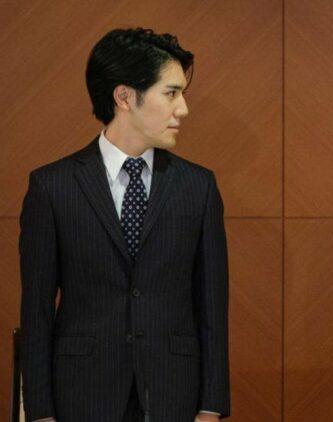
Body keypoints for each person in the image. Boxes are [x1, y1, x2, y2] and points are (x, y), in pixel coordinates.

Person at [19, 28, 230, 422]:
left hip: (173, 395)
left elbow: (213, 307)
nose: (183, 109)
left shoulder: (198, 187)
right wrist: (40, 412)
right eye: (171, 93)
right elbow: (36, 313)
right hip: (81, 396)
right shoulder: (52, 187)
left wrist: (211, 406)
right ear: (125, 97)